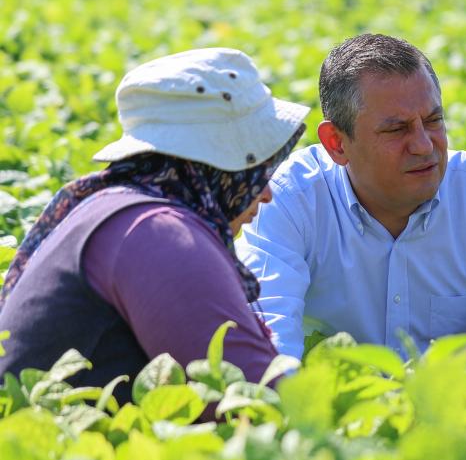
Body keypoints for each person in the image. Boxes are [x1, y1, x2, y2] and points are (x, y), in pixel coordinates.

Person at [237, 33, 466, 391]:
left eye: (434, 121)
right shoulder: (289, 198)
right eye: (396, 129)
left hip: (450, 425)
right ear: (337, 143)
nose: (425, 146)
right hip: (333, 422)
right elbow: (266, 341)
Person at [0, 48, 307, 401]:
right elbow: (250, 396)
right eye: (257, 174)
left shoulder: (120, 208)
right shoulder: (159, 233)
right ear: (221, 167)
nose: (266, 193)